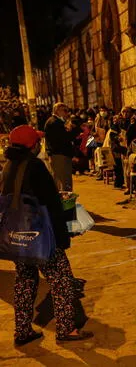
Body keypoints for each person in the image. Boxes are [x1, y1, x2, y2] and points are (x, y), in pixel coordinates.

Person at [2, 125, 93, 345]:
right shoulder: (35, 166)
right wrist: (63, 237)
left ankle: (22, 331)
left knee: (24, 281)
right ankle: (66, 329)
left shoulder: (9, 166)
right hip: (42, 237)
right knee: (61, 279)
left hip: (19, 237)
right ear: (32, 145)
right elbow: (51, 204)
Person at [44, 102, 81, 191]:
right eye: (65, 110)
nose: (67, 113)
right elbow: (65, 138)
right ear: (58, 111)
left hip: (60, 154)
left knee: (63, 182)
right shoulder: (55, 122)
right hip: (59, 155)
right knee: (63, 183)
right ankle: (65, 203)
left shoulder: (57, 122)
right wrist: (75, 130)